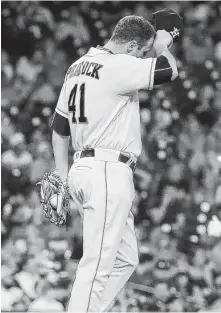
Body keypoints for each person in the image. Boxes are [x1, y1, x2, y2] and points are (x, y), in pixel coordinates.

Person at [50, 15, 178, 312]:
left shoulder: (76, 67)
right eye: (142, 52)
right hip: (106, 170)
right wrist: (162, 45)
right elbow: (169, 69)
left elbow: (59, 126)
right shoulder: (117, 64)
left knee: (125, 258)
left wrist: (60, 170)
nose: (143, 58)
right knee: (96, 266)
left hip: (85, 169)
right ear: (132, 45)